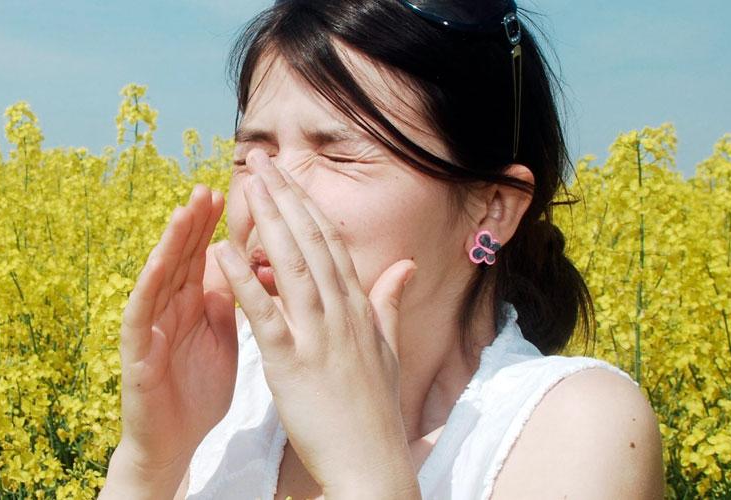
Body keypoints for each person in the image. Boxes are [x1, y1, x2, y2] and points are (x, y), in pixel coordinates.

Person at [99, 0, 664, 498]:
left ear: (493, 208)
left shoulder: (573, 428)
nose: (266, 194)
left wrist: (366, 475)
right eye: (251, 156)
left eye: (339, 155)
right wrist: (151, 463)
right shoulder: (224, 387)